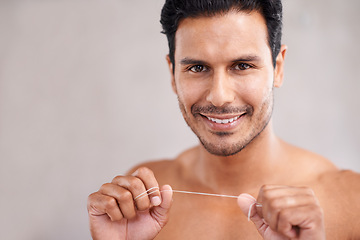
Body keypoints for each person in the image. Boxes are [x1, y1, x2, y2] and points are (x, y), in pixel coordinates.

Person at [87, 0, 360, 239]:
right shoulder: (144, 198)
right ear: (172, 74)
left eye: (242, 66)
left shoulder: (350, 202)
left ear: (278, 68)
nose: (219, 97)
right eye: (197, 67)